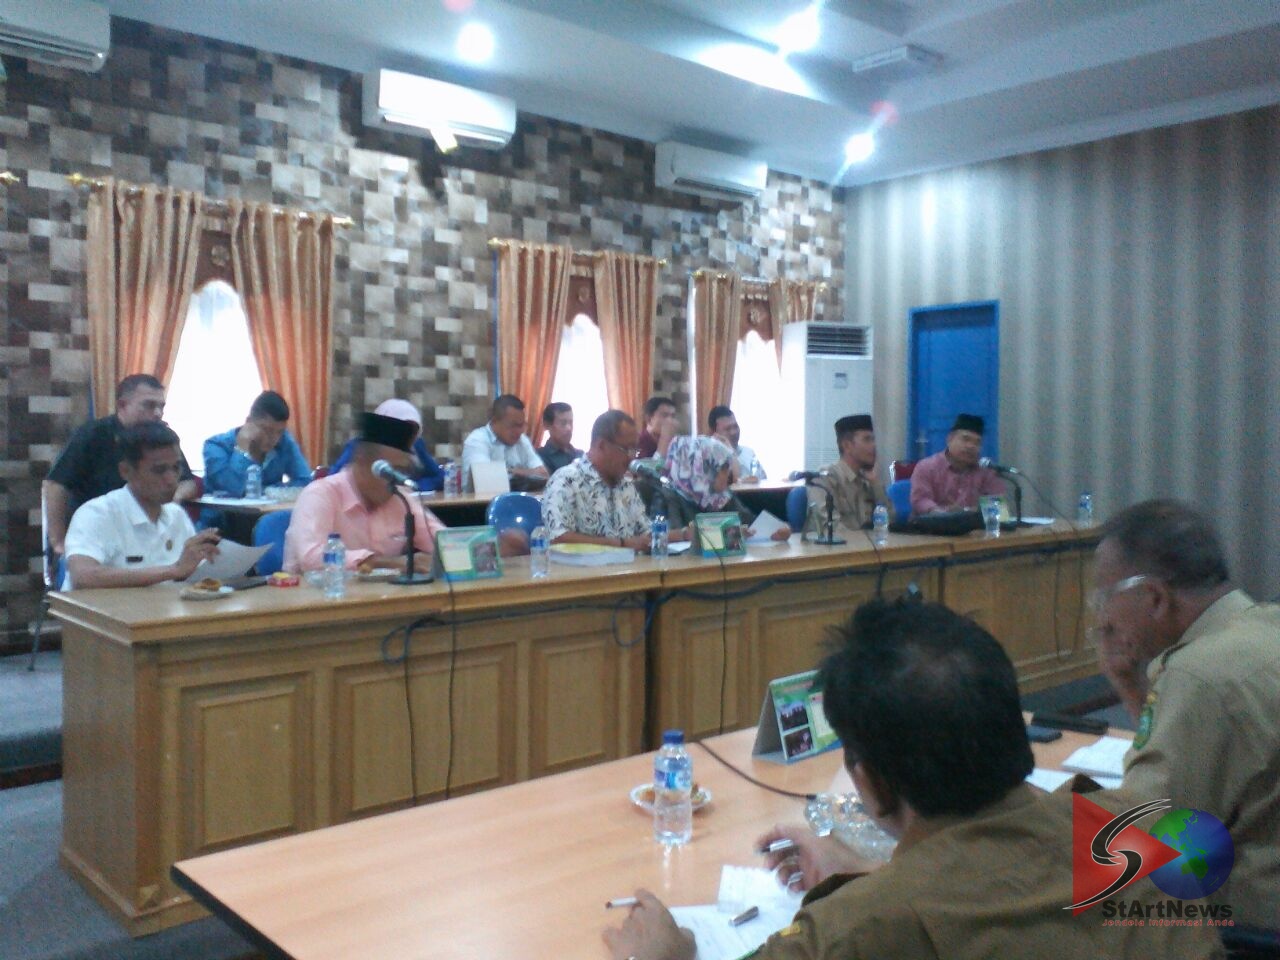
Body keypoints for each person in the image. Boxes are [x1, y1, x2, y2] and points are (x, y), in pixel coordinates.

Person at [604, 599, 1224, 960]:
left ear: (870, 782)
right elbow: (989, 883)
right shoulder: (1143, 841)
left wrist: (666, 955)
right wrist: (872, 874)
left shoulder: (854, 932)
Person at [1091, 499, 1280, 925]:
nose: (1103, 617)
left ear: (1154, 597)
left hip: (1244, 925)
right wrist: (1129, 686)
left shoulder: (1199, 675)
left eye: (1105, 597)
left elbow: (1137, 844)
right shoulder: (1264, 625)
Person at [44, 374, 198, 558]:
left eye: (161, 407)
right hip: (95, 531)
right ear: (122, 405)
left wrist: (173, 498)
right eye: (149, 405)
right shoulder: (93, 434)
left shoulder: (163, 438)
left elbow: (188, 482)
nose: (158, 413)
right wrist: (58, 541)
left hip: (148, 531)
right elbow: (56, 485)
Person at [284, 412, 447, 575]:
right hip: (314, 590)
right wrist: (383, 562)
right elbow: (310, 558)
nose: (393, 479)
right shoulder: (320, 495)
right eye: (386, 471)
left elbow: (446, 543)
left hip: (379, 591)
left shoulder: (400, 498)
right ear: (361, 461)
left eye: (401, 471)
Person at [63, 422, 221, 589]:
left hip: (164, 604)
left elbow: (190, 573)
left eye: (176, 468)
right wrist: (174, 570)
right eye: (159, 470)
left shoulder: (177, 515)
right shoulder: (96, 514)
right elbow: (83, 576)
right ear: (126, 471)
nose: (171, 480)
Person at [541, 410, 652, 551]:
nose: (631, 457)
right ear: (601, 445)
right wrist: (621, 544)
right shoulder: (566, 481)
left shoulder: (626, 486)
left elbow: (646, 534)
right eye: (626, 449)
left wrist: (679, 535)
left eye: (634, 450)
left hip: (632, 565)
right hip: (582, 566)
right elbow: (557, 538)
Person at [652, 435, 791, 543]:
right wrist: (686, 534)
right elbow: (660, 537)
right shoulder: (667, 496)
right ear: (703, 469)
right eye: (723, 469)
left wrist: (780, 529)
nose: (728, 474)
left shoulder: (722, 497)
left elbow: (751, 524)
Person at [330, 399, 444, 491]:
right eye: (401, 429)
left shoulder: (417, 444)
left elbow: (439, 477)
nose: (406, 435)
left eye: (412, 431)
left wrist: (413, 486)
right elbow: (333, 478)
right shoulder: (360, 445)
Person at [807, 414, 893, 534]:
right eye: (867, 439)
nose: (874, 445)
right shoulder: (824, 479)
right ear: (847, 446)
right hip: (839, 545)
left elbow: (891, 521)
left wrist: (876, 485)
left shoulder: (868, 481)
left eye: (873, 440)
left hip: (865, 544)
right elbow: (831, 527)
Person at [908, 413, 1004, 515]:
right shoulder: (926, 467)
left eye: (977, 443)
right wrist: (942, 514)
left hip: (974, 524)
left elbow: (997, 507)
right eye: (965, 439)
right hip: (935, 523)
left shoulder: (987, 470)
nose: (971, 446)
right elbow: (920, 500)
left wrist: (969, 512)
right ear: (949, 439)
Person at [461, 394, 548, 492]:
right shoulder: (477, 440)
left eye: (522, 425)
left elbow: (543, 474)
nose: (519, 431)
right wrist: (523, 473)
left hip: (516, 498)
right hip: (482, 500)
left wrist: (513, 472)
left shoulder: (522, 440)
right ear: (494, 421)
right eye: (513, 425)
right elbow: (484, 480)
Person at [708, 404, 764, 482]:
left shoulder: (749, 453)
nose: (733, 432)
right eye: (727, 429)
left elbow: (762, 481)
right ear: (714, 434)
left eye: (735, 426)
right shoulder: (708, 457)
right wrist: (730, 452)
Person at [536, 401, 581, 474]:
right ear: (547, 425)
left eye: (571, 422)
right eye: (563, 423)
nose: (569, 428)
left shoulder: (580, 455)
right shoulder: (538, 458)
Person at [636, 395, 678, 460]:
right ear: (649, 419)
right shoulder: (638, 442)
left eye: (673, 416)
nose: (670, 421)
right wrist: (665, 438)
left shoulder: (674, 442)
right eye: (665, 415)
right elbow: (652, 466)